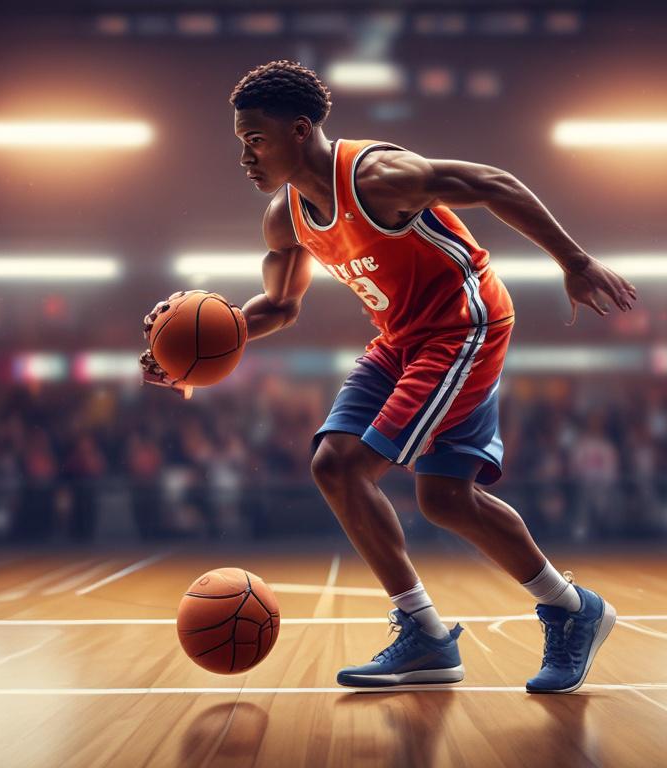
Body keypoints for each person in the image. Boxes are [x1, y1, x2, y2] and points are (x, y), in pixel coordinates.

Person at [141, 60, 638, 693]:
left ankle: (424, 630)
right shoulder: (284, 217)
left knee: (344, 464)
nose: (244, 155)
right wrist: (187, 350)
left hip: (466, 326)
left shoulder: (378, 177)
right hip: (401, 339)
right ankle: (573, 610)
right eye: (240, 141)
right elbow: (281, 308)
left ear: (300, 131)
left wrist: (574, 260)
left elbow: (491, 182)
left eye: (255, 139)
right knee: (444, 498)